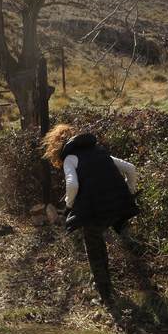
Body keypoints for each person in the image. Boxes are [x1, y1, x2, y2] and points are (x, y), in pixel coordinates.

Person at [43, 124, 139, 303]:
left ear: (56, 146)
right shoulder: (99, 150)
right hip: (119, 205)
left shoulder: (70, 158)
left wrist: (69, 205)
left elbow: (72, 185)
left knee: (95, 247)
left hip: (95, 209)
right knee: (122, 231)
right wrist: (128, 192)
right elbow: (131, 168)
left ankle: (105, 294)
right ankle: (142, 273)